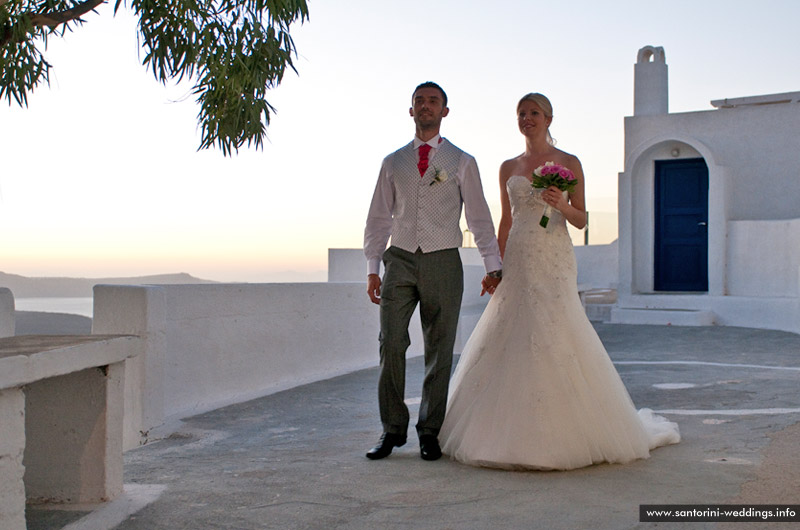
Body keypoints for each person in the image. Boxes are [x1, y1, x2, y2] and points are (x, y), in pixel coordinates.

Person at [438, 93, 680, 470]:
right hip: (519, 255)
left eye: (534, 113)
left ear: (549, 118)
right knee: (512, 330)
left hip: (553, 256)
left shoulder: (569, 163)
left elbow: (581, 219)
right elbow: (505, 221)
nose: (526, 118)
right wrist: (495, 267)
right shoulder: (507, 166)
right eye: (521, 113)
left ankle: (564, 433)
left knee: (556, 328)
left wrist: (561, 204)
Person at [363, 82, 503, 461]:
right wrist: (373, 266)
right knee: (390, 342)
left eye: (433, 101)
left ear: (445, 111)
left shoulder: (462, 161)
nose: (426, 106)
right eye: (419, 101)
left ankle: (429, 431)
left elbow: (479, 217)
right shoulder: (393, 162)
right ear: (411, 111)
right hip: (400, 258)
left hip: (443, 258)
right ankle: (392, 429)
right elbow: (379, 217)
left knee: (440, 349)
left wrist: (494, 265)